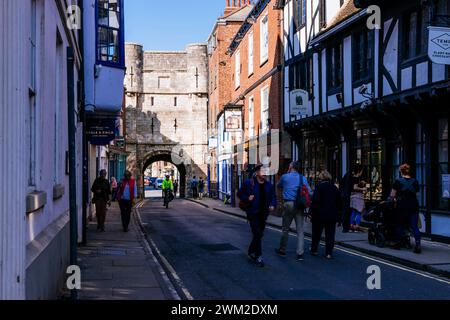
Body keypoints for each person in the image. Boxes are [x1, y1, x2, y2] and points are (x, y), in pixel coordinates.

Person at [237, 164, 277, 268]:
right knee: (257, 234)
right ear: (257, 172)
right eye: (263, 171)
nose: (265, 173)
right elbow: (239, 194)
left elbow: (273, 197)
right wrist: (247, 198)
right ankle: (259, 256)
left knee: (259, 234)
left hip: (264, 214)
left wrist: (272, 204)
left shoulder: (269, 185)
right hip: (253, 213)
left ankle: (251, 250)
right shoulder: (249, 183)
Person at [275, 161, 312, 261]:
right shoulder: (302, 178)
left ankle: (282, 250)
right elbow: (310, 192)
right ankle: (300, 253)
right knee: (300, 230)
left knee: (285, 228)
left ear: (290, 167)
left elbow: (278, 185)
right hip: (299, 205)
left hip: (288, 204)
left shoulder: (285, 177)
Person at [310, 171, 342, 259]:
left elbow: (315, 201)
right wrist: (339, 215)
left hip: (319, 215)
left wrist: (311, 212)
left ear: (321, 178)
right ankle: (328, 253)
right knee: (330, 235)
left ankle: (314, 250)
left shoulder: (319, 187)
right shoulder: (334, 188)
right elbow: (339, 202)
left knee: (316, 233)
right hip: (331, 214)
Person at [390, 164, 421, 254]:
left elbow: (392, 195)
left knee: (400, 225)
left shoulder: (398, 181)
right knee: (414, 226)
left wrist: (395, 198)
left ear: (401, 172)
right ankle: (418, 244)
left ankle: (398, 243)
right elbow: (417, 195)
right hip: (413, 206)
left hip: (402, 206)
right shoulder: (415, 181)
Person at [339, 164, 364, 233]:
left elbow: (341, 183)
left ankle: (347, 227)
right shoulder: (353, 176)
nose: (362, 172)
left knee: (348, 211)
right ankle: (346, 227)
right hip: (348, 195)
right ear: (358, 170)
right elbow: (353, 187)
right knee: (348, 211)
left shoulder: (348, 174)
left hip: (346, 195)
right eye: (361, 171)